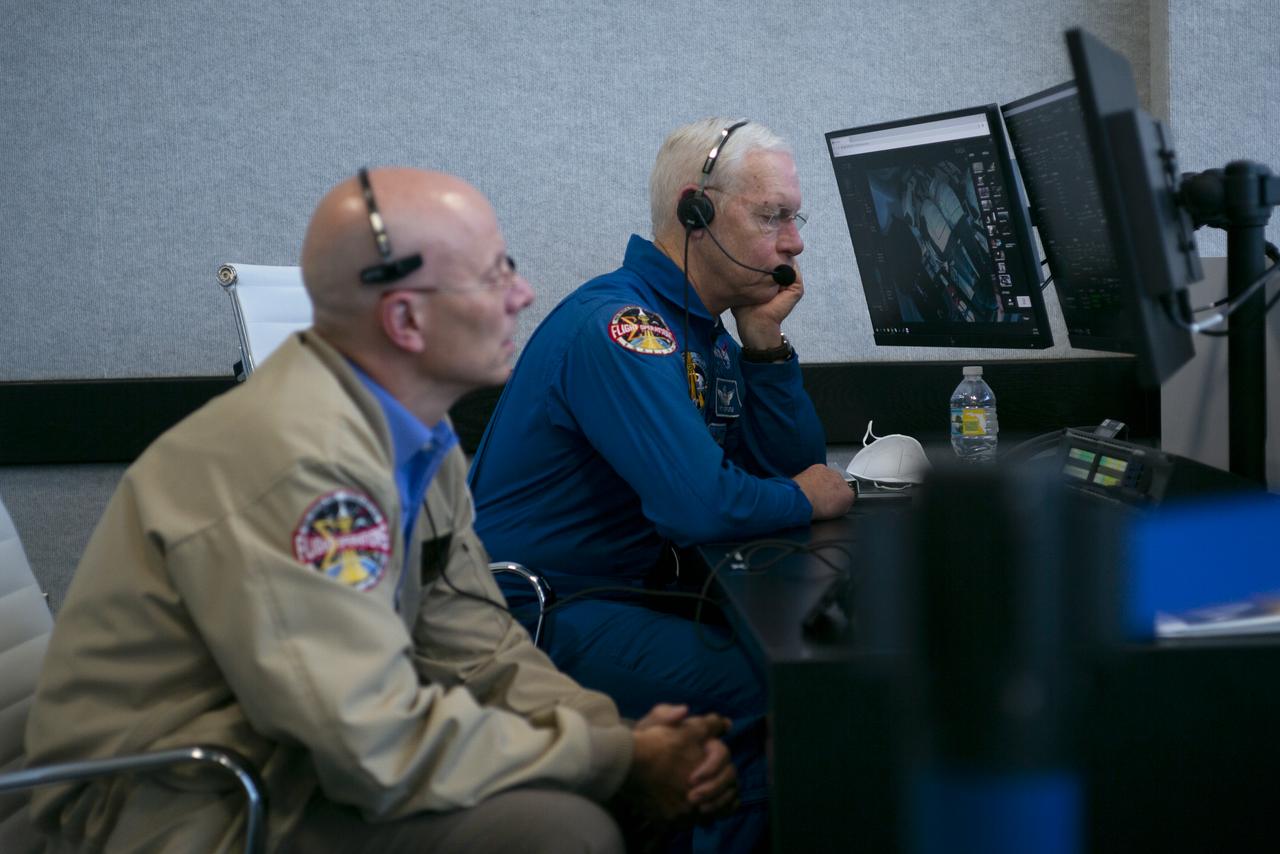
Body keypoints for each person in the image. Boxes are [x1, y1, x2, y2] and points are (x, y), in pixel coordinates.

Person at [23, 167, 739, 853]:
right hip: (175, 802)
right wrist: (613, 757)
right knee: (562, 831)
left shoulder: (415, 439)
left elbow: (478, 646)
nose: (522, 294)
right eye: (494, 275)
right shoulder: (302, 465)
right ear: (404, 317)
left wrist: (616, 736)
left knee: (624, 790)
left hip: (285, 760)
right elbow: (369, 739)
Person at [467, 118, 855, 852]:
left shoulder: (697, 331)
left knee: (800, 661)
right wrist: (814, 495)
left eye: (793, 218)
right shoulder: (624, 329)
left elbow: (776, 468)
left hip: (606, 595)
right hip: (533, 615)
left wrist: (765, 344)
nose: (795, 241)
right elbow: (705, 504)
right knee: (771, 687)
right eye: (772, 216)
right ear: (695, 213)